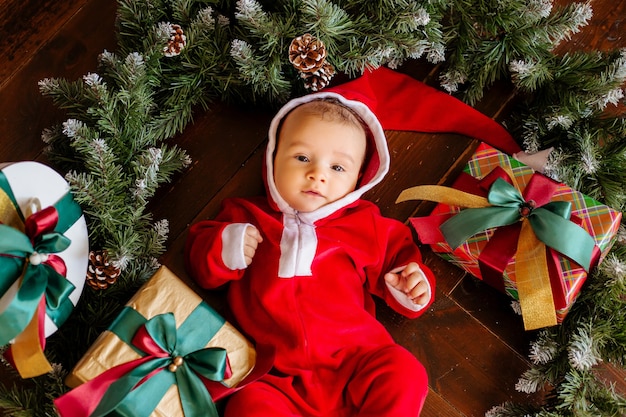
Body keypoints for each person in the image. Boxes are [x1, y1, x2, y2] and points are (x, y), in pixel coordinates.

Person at [185, 85, 437, 417]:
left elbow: (399, 259)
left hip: (356, 364)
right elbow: (201, 264)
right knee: (248, 406)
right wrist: (224, 247)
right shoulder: (245, 216)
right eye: (302, 157)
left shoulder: (365, 225)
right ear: (274, 156)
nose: (317, 174)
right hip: (276, 379)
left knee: (405, 372)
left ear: (358, 180)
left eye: (337, 168)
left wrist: (413, 286)